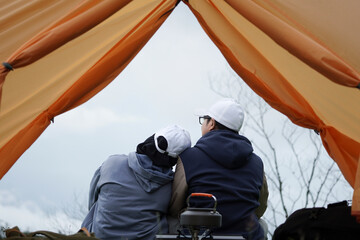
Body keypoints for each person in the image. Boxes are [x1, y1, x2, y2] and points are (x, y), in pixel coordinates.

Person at [168, 99, 268, 240]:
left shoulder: (188, 157)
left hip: (201, 235)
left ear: (212, 123)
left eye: (204, 119)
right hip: (245, 235)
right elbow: (260, 207)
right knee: (261, 224)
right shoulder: (257, 162)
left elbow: (175, 206)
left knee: (171, 221)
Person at [81, 125, 191, 240]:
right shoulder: (171, 187)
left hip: (99, 236)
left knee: (101, 200)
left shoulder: (111, 163)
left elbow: (92, 201)